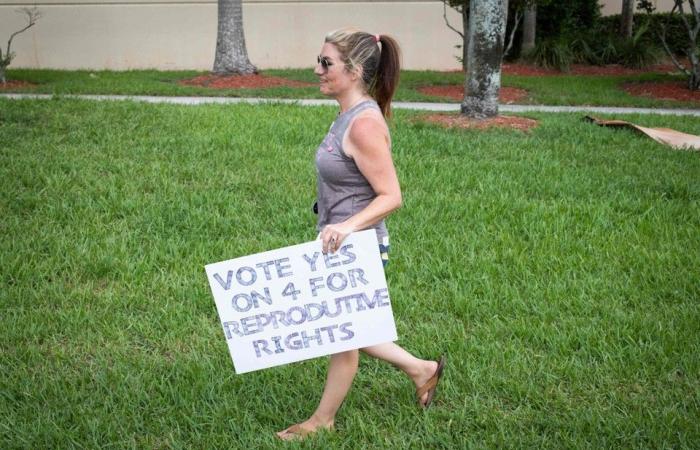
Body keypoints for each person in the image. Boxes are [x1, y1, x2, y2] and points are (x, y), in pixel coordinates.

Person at [276, 29, 446, 440]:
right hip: (341, 245)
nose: (317, 69)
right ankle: (421, 369)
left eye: (326, 63)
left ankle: (321, 422)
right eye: (320, 60)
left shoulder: (364, 124)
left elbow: (392, 196)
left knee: (343, 335)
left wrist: (348, 226)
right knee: (347, 329)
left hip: (360, 247)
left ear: (353, 71)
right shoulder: (348, 114)